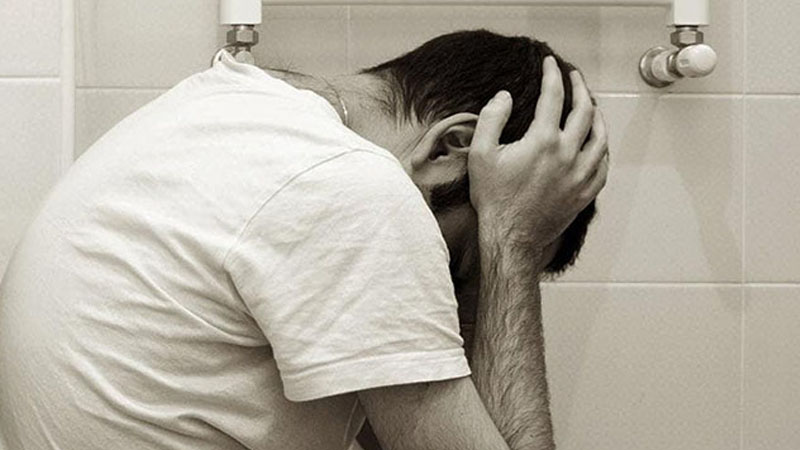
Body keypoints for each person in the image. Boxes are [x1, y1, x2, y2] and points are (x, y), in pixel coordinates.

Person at [0, 29, 607, 450]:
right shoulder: (350, 188)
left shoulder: (228, 106)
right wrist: (512, 242)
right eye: (458, 265)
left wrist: (493, 239)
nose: (455, 303)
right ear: (454, 147)